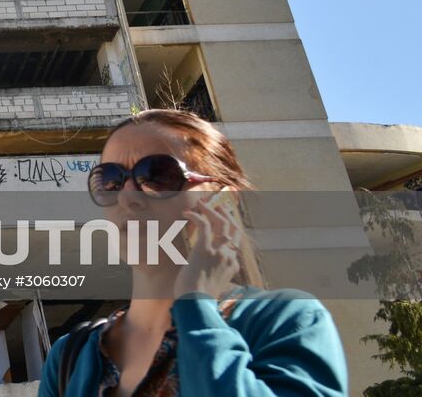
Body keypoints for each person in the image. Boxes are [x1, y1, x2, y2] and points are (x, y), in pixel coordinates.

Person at [39, 109, 348, 396]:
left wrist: (196, 308)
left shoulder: (288, 321)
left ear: (223, 200)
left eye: (157, 175)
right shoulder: (69, 356)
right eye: (110, 180)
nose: (128, 197)